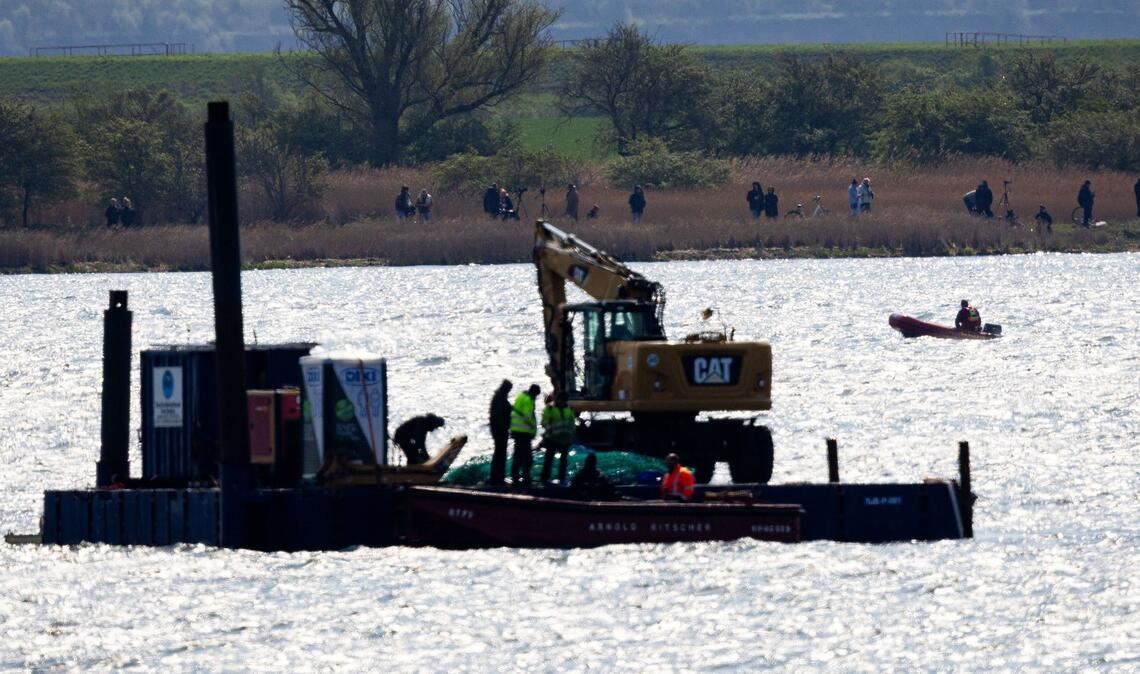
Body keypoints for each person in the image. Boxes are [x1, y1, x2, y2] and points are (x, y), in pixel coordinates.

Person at [540, 391, 576, 483]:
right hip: (552, 438)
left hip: (565, 439)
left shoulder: (569, 409)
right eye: (562, 400)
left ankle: (561, 478)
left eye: (565, 401)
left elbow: (572, 423)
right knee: (549, 460)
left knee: (563, 461)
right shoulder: (550, 408)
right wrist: (551, 431)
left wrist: (571, 434)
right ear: (558, 399)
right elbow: (544, 422)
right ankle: (545, 478)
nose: (563, 402)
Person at [509, 383, 541, 486]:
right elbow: (528, 416)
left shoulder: (521, 397)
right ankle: (525, 477)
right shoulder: (528, 400)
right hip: (524, 432)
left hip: (516, 431)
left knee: (518, 456)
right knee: (527, 457)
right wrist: (534, 427)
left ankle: (515, 477)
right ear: (534, 393)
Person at [488, 379, 513, 485]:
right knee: (500, 453)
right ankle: (497, 477)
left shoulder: (500, 397)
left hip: (500, 430)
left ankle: (497, 476)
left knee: (500, 453)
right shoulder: (499, 398)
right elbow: (498, 416)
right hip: (500, 431)